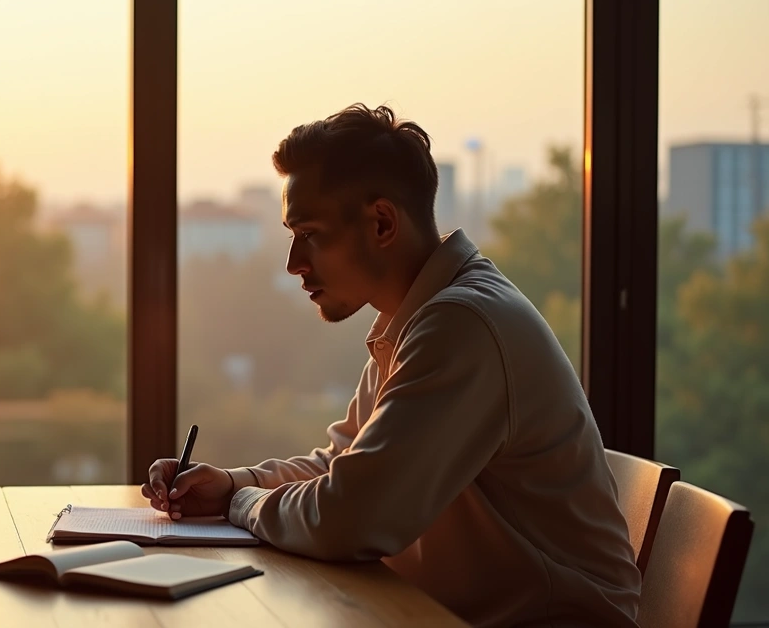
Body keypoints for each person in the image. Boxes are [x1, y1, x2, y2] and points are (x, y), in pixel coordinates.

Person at [142, 103, 641, 627]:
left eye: (309, 233)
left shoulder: (461, 325)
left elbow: (349, 517)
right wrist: (231, 481)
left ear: (382, 222)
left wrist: (239, 504)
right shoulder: (420, 316)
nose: (294, 263)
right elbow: (346, 468)